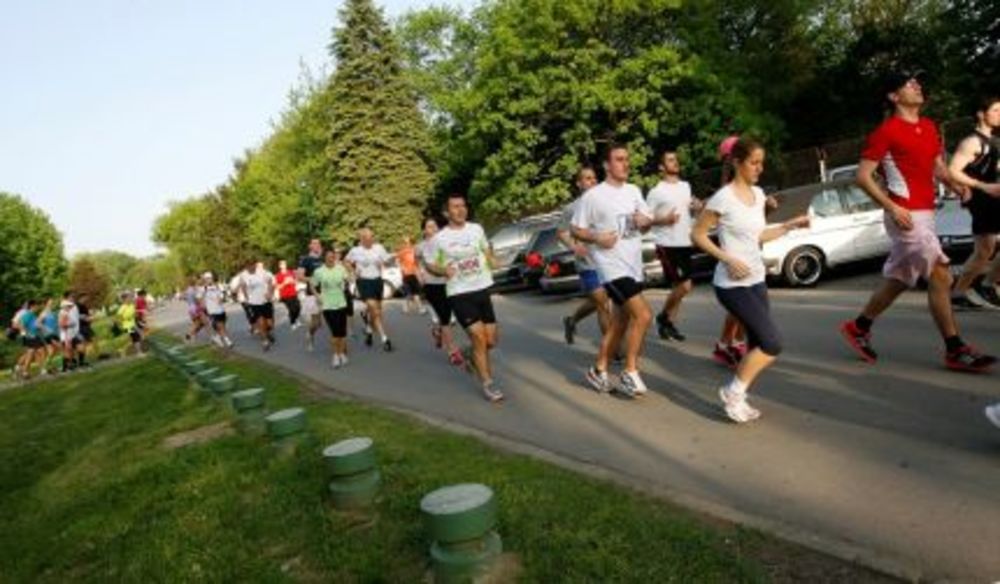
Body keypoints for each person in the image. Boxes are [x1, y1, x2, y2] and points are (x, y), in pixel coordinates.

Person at [839, 71, 995, 372]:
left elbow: (937, 167)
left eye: (917, 83)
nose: (917, 86)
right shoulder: (886, 131)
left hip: (926, 213)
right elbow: (862, 176)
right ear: (894, 97)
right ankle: (954, 348)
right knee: (940, 273)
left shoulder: (929, 126)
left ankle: (859, 327)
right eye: (909, 85)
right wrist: (891, 206)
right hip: (905, 215)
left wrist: (956, 186)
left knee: (899, 280)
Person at [693, 138, 810, 423]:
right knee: (773, 343)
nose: (760, 168)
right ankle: (732, 393)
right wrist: (727, 258)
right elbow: (697, 235)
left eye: (761, 162)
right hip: (731, 285)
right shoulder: (723, 198)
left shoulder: (758, 195)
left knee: (758, 343)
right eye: (754, 162)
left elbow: (758, 235)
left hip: (756, 280)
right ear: (737, 163)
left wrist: (789, 226)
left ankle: (739, 396)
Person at [571, 144, 654, 397]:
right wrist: (596, 237)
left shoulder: (634, 191)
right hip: (611, 267)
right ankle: (630, 371)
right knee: (644, 316)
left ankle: (598, 369)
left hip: (633, 265)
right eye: (619, 159)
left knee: (619, 323)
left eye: (627, 159)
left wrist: (645, 222)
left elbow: (646, 224)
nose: (625, 164)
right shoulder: (593, 196)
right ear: (607, 165)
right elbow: (576, 230)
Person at [426, 194, 503, 401]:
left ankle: (470, 355)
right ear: (446, 213)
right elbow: (429, 264)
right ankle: (488, 383)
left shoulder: (476, 229)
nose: (461, 210)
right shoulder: (439, 239)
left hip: (482, 288)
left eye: (463, 206)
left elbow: (486, 251)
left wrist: (493, 260)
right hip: (459, 293)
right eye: (455, 207)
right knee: (478, 337)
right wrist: (443, 271)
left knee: (491, 341)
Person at [948, 96, 1000, 308]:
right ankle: (981, 286)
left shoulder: (994, 140)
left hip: (994, 197)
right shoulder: (972, 142)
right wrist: (982, 186)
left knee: (983, 251)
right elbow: (953, 171)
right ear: (981, 113)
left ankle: (965, 291)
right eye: (996, 110)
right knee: (984, 251)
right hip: (983, 200)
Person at [648, 150, 702, 342]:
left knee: (677, 287)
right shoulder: (656, 192)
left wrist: (697, 207)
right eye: (670, 160)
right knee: (685, 286)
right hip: (667, 244)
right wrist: (665, 219)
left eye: (676, 159)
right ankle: (663, 317)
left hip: (684, 241)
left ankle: (668, 325)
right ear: (661, 167)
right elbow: (646, 220)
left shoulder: (686, 186)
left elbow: (691, 211)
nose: (676, 162)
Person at [559, 166, 612, 344]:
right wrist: (573, 247)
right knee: (603, 304)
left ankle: (571, 320)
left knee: (599, 302)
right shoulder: (571, 208)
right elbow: (561, 232)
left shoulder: (606, 202)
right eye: (587, 178)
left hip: (608, 260)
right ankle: (613, 350)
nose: (593, 181)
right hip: (587, 263)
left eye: (594, 178)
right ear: (579, 184)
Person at [417, 217, 464, 365]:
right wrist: (420, 275)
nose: (433, 229)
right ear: (424, 230)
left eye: (435, 226)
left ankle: (437, 331)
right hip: (432, 286)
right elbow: (417, 262)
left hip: (448, 283)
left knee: (448, 315)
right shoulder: (421, 247)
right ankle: (453, 352)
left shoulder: (444, 243)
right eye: (429, 227)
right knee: (445, 318)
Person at [346, 228, 394, 351]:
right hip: (363, 282)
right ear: (361, 239)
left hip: (377, 281)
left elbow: (387, 261)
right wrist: (352, 271)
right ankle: (385, 338)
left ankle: (368, 329)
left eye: (371, 237)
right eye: (367, 238)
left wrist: (389, 260)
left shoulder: (379, 248)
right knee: (374, 309)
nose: (370, 240)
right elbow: (346, 261)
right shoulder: (355, 250)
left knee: (377, 311)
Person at [311, 248, 353, 368]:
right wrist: (317, 295)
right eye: (329, 256)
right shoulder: (319, 271)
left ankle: (341, 354)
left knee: (342, 332)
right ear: (324, 258)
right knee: (335, 332)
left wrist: (350, 270)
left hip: (341, 303)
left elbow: (350, 280)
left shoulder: (340, 269)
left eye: (333, 256)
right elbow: (313, 284)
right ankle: (335, 355)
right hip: (328, 305)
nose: (331, 258)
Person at [240, 261, 276, 351]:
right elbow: (243, 286)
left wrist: (270, 293)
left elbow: (271, 282)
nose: (249, 268)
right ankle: (265, 342)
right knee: (260, 322)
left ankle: (267, 332)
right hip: (254, 303)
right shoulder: (244, 275)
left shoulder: (262, 272)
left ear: (255, 265)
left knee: (270, 323)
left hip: (265, 301)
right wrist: (247, 298)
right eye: (247, 266)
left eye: (251, 266)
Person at [202, 272, 233, 348]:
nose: (209, 280)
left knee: (222, 326)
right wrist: (204, 311)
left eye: (210, 278)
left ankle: (217, 337)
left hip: (221, 310)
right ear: (205, 280)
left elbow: (222, 296)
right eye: (207, 279)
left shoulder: (217, 286)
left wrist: (222, 298)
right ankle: (227, 340)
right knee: (220, 326)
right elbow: (200, 300)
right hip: (212, 311)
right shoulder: (203, 289)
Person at [14, 299, 44, 379]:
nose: (38, 307)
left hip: (34, 336)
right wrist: (28, 333)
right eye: (37, 305)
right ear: (32, 306)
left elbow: (34, 325)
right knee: (31, 353)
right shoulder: (28, 314)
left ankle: (23, 370)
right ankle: (24, 371)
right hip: (30, 337)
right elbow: (20, 324)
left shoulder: (33, 315)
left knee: (31, 353)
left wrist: (39, 328)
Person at [397, 236, 427, 315]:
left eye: (407, 242)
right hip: (406, 275)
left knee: (416, 293)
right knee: (408, 294)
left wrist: (420, 271)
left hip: (414, 274)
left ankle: (420, 308)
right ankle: (405, 308)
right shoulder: (402, 252)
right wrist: (402, 268)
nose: (406, 244)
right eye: (405, 242)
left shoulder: (414, 251)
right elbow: (398, 262)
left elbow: (417, 262)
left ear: (410, 243)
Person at [275, 260, 302, 329]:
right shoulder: (278, 275)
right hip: (285, 295)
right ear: (279, 266)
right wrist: (284, 283)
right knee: (292, 309)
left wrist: (293, 281)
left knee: (298, 307)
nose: (283, 266)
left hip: (293, 293)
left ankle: (295, 318)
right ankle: (292, 323)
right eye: (282, 264)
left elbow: (296, 281)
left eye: (284, 264)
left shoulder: (291, 272)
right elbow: (278, 287)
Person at [58, 292, 81, 372]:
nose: (70, 308)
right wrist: (70, 324)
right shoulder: (63, 313)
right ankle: (67, 367)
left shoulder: (66, 312)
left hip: (68, 334)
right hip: (65, 334)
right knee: (67, 350)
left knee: (69, 349)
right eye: (68, 306)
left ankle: (68, 365)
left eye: (70, 306)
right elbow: (61, 324)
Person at [38, 298, 61, 374]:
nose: (52, 304)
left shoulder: (52, 312)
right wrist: (46, 329)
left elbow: (55, 323)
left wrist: (58, 328)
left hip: (54, 334)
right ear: (46, 304)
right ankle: (61, 365)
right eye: (50, 302)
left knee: (52, 351)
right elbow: (38, 324)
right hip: (48, 335)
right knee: (59, 347)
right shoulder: (43, 313)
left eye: (52, 302)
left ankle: (46, 367)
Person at [183, 278, 206, 342]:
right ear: (193, 283)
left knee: (197, 323)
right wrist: (201, 305)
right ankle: (189, 335)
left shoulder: (187, 290)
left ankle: (192, 336)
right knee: (201, 323)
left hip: (191, 308)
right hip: (195, 308)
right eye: (195, 282)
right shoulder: (193, 290)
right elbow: (197, 299)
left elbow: (184, 298)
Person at [75, 293, 95, 367]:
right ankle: (82, 360)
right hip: (82, 327)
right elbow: (79, 316)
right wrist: (88, 318)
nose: (87, 300)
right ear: (81, 297)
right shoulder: (77, 306)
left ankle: (83, 360)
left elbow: (87, 315)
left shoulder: (84, 306)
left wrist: (90, 316)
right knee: (85, 343)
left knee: (89, 343)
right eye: (86, 298)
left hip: (86, 326)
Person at [301, 286, 322, 351]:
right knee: (311, 325)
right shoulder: (309, 282)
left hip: (315, 302)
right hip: (309, 304)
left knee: (317, 325)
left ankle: (310, 333)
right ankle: (310, 344)